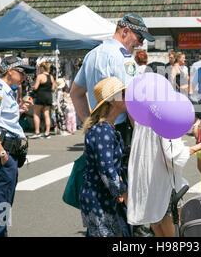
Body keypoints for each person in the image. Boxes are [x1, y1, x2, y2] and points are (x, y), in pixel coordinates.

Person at [70, 13, 155, 236]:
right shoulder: (123, 58)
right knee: (122, 200)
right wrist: (142, 140)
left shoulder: (92, 54)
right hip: (121, 131)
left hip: (100, 127)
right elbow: (132, 102)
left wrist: (90, 121)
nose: (140, 44)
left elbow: (76, 93)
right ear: (125, 31)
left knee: (100, 191)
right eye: (139, 37)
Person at [127, 122, 201, 237]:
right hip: (165, 186)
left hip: (149, 182)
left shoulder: (145, 113)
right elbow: (174, 156)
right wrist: (199, 147)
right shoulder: (166, 116)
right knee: (172, 232)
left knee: (158, 228)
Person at [0, 56, 35, 237]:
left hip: (8, 155)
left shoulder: (7, 91)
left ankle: (0, 233)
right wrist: (3, 154)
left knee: (4, 205)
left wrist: (19, 110)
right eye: (21, 72)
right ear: (9, 71)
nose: (24, 76)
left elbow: (3, 121)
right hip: (2, 156)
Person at [80, 77, 128, 237]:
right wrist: (121, 192)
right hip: (98, 198)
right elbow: (106, 168)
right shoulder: (103, 131)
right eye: (123, 94)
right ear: (112, 100)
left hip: (101, 195)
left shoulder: (105, 128)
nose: (127, 96)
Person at [30, 61, 55, 139]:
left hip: (41, 96)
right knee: (47, 114)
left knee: (36, 113)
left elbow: (36, 87)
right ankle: (47, 133)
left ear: (42, 68)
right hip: (48, 96)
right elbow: (53, 88)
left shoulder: (40, 76)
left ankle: (37, 132)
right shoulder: (51, 77)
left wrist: (32, 87)